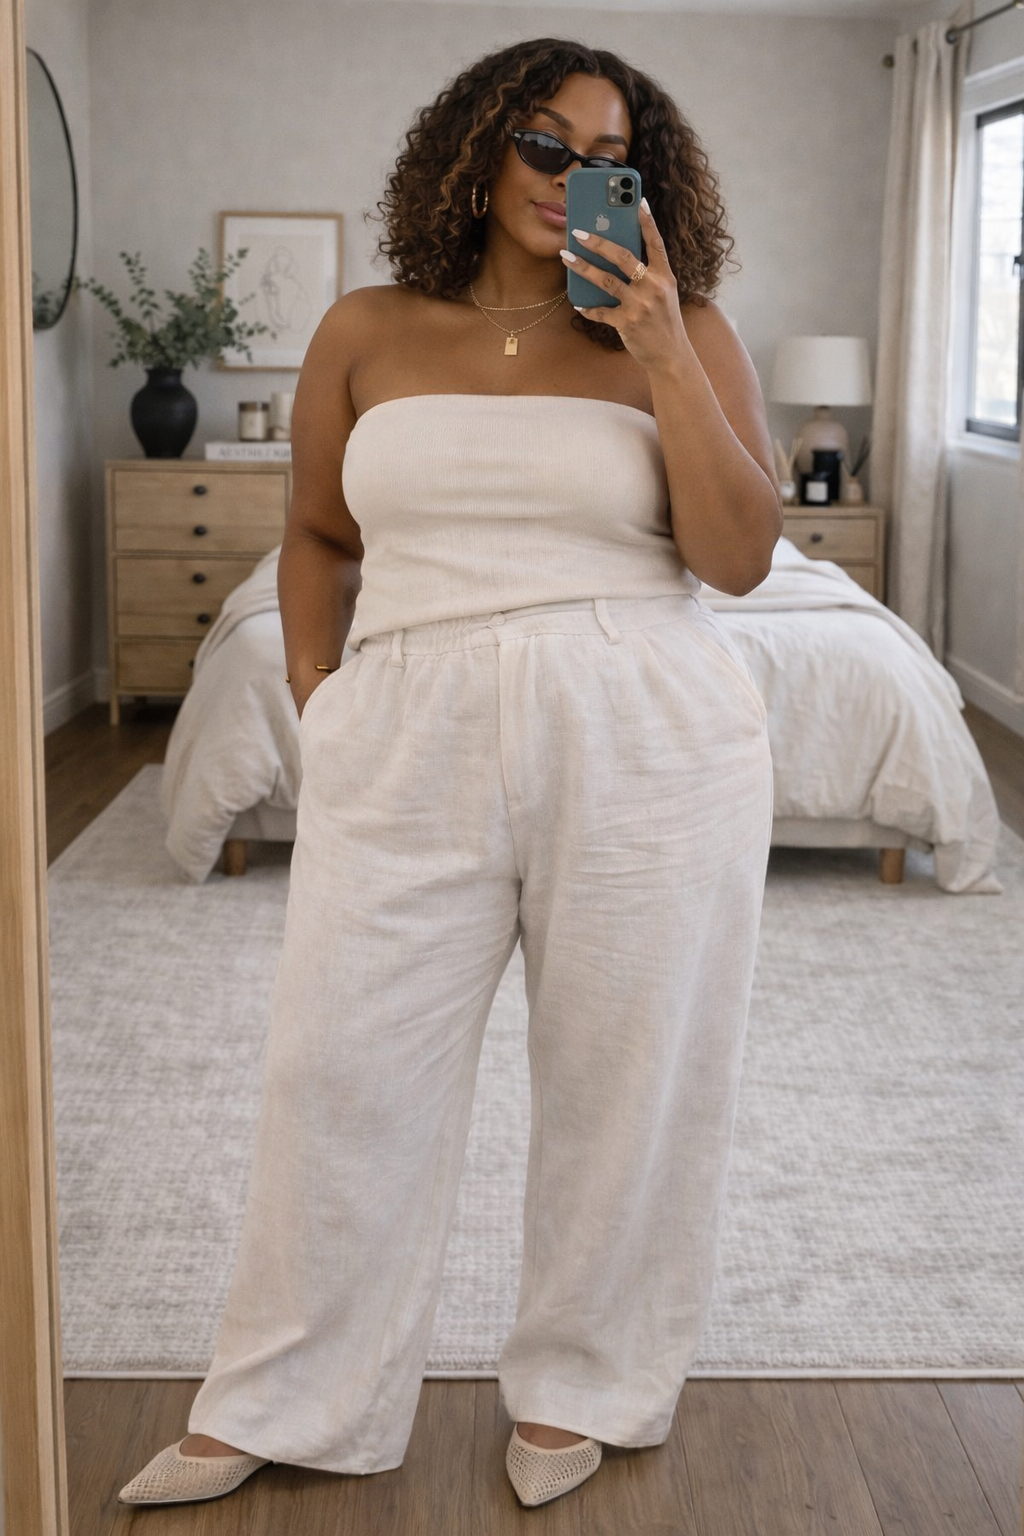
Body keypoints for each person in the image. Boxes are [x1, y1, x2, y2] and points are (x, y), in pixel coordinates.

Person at [118, 37, 781, 1512]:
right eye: (543, 144)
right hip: (405, 720)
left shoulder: (690, 329)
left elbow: (738, 560)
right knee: (337, 1068)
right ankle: (289, 1390)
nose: (567, 178)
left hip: (643, 718)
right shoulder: (365, 327)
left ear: (644, 187)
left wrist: (665, 346)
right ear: (480, 151)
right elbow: (317, 535)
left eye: (609, 159)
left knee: (628, 1076)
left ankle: (588, 1381)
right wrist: (317, 700)